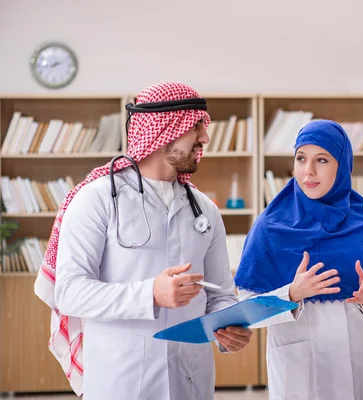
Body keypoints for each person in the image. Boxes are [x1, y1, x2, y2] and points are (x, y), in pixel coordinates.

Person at [34, 82, 252, 400]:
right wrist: (149, 293)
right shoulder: (96, 199)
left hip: (190, 382)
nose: (205, 138)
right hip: (120, 381)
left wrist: (230, 328)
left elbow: (220, 294)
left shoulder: (205, 209)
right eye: (196, 127)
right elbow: (67, 292)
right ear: (165, 130)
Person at [234, 119, 363, 400]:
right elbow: (246, 314)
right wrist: (292, 294)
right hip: (298, 381)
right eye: (301, 158)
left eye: (322, 159)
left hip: (357, 380)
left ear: (342, 165)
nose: (308, 170)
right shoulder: (270, 227)